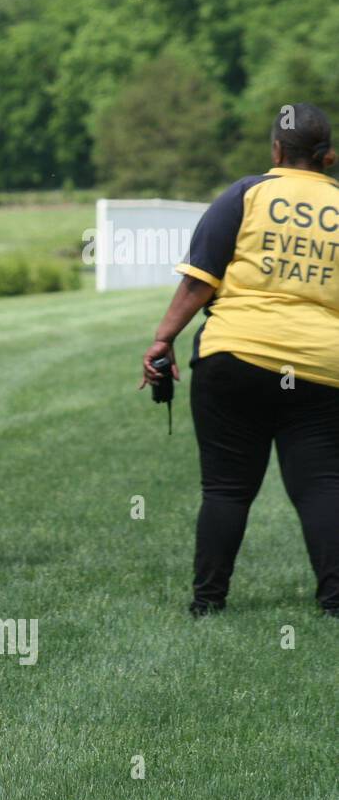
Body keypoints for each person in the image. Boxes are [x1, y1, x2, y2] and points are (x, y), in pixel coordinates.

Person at [141, 102, 339, 617]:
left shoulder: (245, 195)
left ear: (276, 149)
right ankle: (335, 601)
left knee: (226, 488)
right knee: (321, 486)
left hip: (236, 355)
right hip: (322, 367)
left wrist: (162, 341)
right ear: (329, 157)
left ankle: (208, 602)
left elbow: (198, 280)